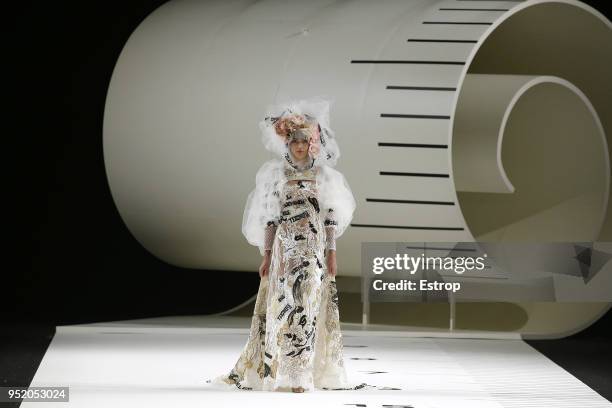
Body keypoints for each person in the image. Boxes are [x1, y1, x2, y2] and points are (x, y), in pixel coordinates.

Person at [207, 97, 368, 393]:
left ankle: (300, 376)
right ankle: (278, 370)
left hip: (314, 250)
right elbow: (270, 218)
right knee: (283, 304)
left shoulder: (325, 177)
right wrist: (266, 255)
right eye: (293, 141)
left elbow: (331, 218)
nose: (299, 147)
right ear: (287, 143)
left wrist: (332, 252)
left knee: (307, 305)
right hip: (284, 251)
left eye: (304, 142)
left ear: (313, 144)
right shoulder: (275, 175)